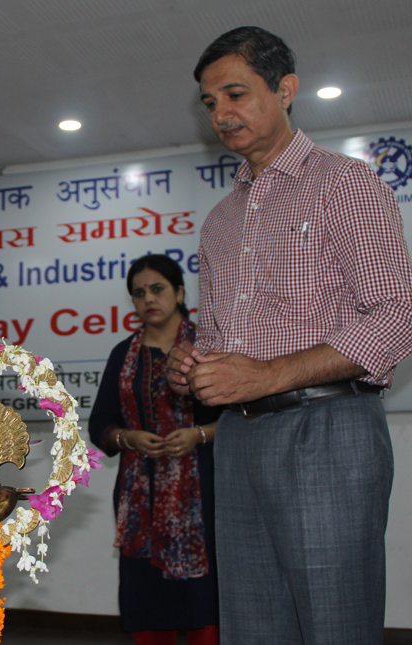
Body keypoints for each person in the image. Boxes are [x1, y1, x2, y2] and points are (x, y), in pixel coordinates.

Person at [167, 26, 412, 645]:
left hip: (327, 432)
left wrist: (271, 373)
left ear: (286, 90)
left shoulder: (345, 184)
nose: (222, 114)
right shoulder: (221, 222)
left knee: (334, 625)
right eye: (210, 103)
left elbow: (395, 315)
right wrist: (192, 359)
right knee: (251, 628)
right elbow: (223, 334)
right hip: (239, 440)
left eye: (235, 94)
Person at [90, 254, 219, 645]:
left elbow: (241, 419)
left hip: (203, 495)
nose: (148, 299)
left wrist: (197, 435)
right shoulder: (122, 355)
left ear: (180, 292)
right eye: (138, 293)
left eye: (157, 288)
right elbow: (100, 426)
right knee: (147, 604)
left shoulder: (210, 347)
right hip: (139, 500)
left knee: (204, 604)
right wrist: (129, 438)